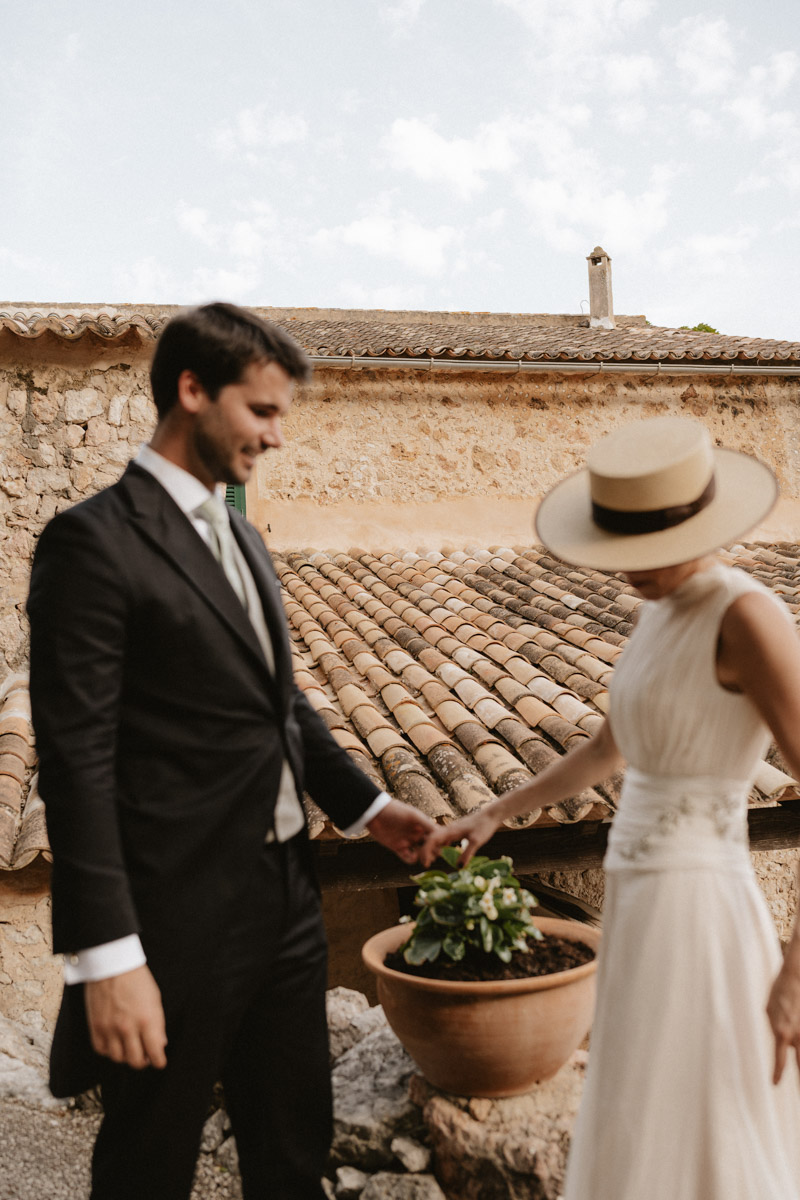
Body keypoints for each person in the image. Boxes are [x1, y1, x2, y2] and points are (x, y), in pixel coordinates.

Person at [27, 302, 434, 1200]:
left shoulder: (243, 535)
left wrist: (367, 806)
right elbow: (76, 763)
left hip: (285, 901)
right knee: (150, 1162)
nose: (277, 436)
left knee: (292, 1148)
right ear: (191, 390)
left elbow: (276, 702)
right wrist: (108, 957)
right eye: (262, 411)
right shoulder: (91, 544)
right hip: (172, 917)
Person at [420, 416, 800, 1199]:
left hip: (701, 907)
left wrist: (798, 965)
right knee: (638, 1107)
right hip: (637, 896)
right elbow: (607, 750)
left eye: (639, 552)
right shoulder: (658, 609)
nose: (623, 572)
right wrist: (494, 812)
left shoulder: (748, 617)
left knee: (701, 1114)